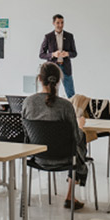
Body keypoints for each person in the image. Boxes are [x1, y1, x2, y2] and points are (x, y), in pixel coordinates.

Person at [22, 62, 87, 210]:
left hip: (37, 157)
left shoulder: (28, 102)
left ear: (39, 79)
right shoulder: (65, 106)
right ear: (59, 81)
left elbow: (26, 134)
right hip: (65, 159)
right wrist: (80, 127)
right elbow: (76, 138)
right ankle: (70, 195)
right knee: (81, 140)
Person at [39, 14, 77, 98]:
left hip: (65, 67)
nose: (60, 25)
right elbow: (41, 54)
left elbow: (74, 53)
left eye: (62, 22)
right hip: (53, 68)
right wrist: (53, 54)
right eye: (58, 23)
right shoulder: (48, 37)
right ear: (53, 23)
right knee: (52, 93)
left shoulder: (69, 36)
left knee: (71, 94)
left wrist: (67, 54)